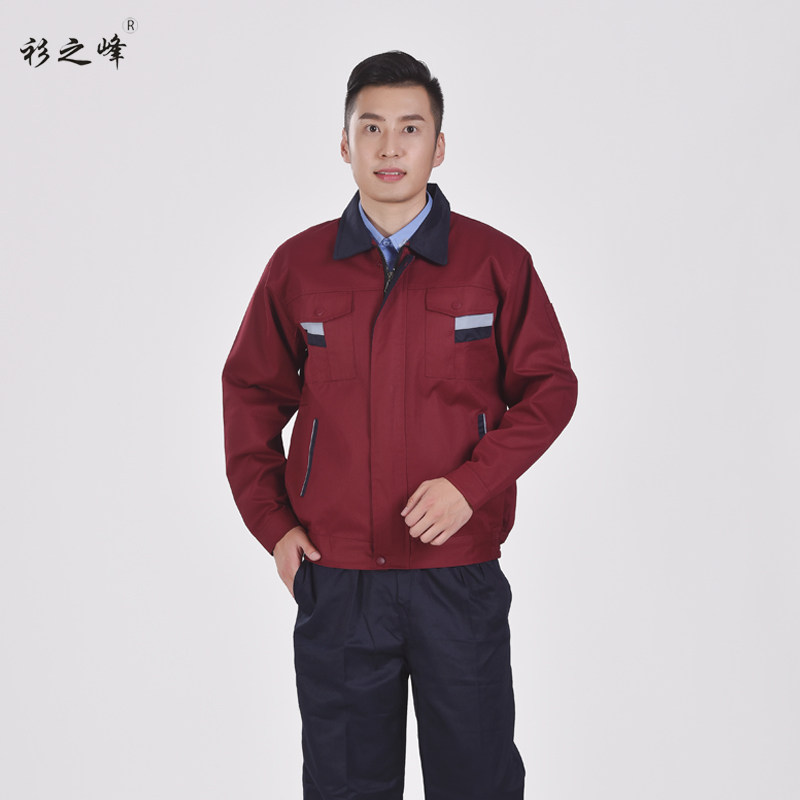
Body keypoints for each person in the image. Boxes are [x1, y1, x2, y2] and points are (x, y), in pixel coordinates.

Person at [222, 50, 578, 800]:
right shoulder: (298, 267)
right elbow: (249, 394)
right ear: (344, 142)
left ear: (438, 146)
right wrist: (274, 528)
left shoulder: (495, 262)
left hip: (457, 576)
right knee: (345, 787)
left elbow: (550, 388)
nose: (390, 147)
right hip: (338, 579)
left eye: (410, 128)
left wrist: (471, 486)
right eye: (372, 127)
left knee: (478, 783)